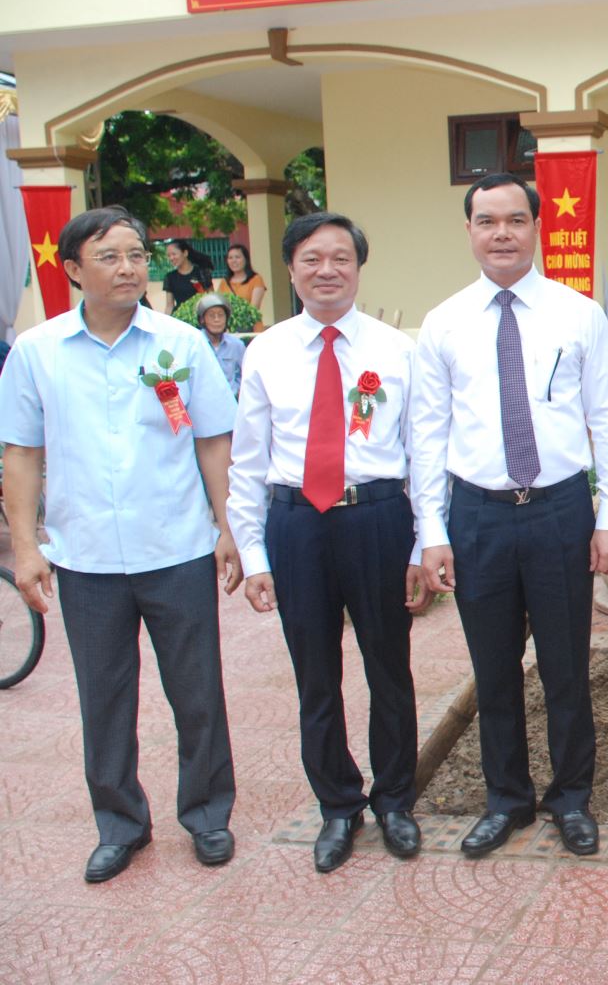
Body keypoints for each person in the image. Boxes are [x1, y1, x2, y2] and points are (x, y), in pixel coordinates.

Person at [0, 206, 240, 883]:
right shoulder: (38, 351)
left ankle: (207, 813)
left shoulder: (180, 343)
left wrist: (229, 529)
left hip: (177, 547)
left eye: (137, 254)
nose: (129, 267)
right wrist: (26, 547)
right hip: (86, 557)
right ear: (74, 269)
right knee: (103, 697)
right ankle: (120, 823)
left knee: (197, 691)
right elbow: (22, 452)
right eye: (109, 256)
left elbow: (213, 440)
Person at [411, 172, 608, 859]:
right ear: (469, 231)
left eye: (514, 220)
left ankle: (571, 797)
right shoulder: (444, 323)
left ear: (536, 227)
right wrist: (432, 532)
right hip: (477, 516)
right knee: (494, 668)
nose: (500, 233)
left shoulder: (578, 315)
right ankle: (506, 799)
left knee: (566, 665)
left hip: (559, 511)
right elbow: (427, 433)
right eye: (487, 221)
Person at [227, 211, 431, 873]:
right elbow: (247, 461)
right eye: (312, 258)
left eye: (341, 257)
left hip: (377, 518)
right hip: (297, 525)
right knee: (315, 675)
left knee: (389, 667)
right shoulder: (266, 351)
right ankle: (338, 804)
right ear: (290, 268)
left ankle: (395, 799)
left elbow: (423, 454)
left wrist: (422, 545)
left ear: (359, 267)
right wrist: (253, 554)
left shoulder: (396, 350)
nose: (327, 270)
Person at [196, 293, 245, 396]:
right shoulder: (195, 344)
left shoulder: (237, 345)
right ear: (202, 319)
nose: (217, 319)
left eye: (221, 315)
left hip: (231, 401)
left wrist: (238, 391)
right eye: (211, 315)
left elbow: (245, 375)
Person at [215, 243, 268, 330]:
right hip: (230, 330)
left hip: (251, 328)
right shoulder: (224, 282)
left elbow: (254, 308)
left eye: (237, 257)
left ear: (246, 259)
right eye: (230, 258)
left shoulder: (256, 279)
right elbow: (218, 305)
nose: (234, 261)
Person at [162, 238, 214, 314]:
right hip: (180, 316)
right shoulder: (170, 277)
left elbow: (212, 298)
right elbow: (169, 305)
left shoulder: (202, 273)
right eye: (169, 255)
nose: (171, 258)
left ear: (185, 253)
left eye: (174, 254)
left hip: (200, 315)